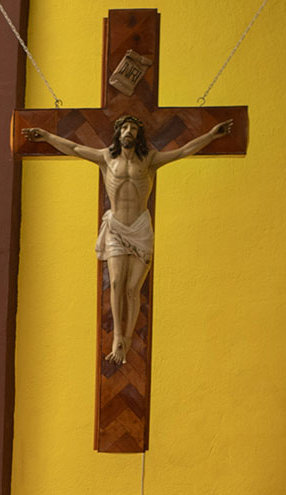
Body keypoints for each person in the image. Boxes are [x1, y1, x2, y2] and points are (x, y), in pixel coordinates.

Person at [22, 114, 234, 366]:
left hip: (140, 227)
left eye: (133, 128)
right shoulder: (106, 158)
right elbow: (74, 148)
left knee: (133, 289)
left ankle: (128, 339)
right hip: (116, 227)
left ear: (138, 134)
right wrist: (46, 136)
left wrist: (211, 135)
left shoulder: (149, 160)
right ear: (118, 133)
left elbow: (183, 151)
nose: (128, 131)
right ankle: (117, 339)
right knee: (116, 282)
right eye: (125, 127)